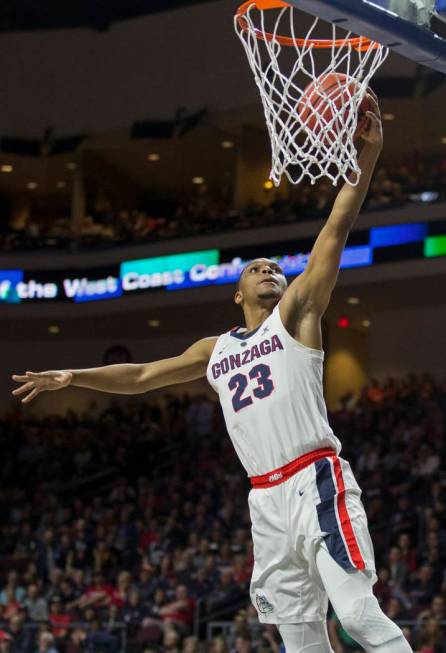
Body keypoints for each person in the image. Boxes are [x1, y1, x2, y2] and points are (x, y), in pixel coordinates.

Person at [12, 97, 412, 653]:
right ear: (237, 291)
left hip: (315, 479)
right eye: (257, 268)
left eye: (276, 267)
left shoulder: (295, 316)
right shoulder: (215, 348)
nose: (270, 271)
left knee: (357, 616)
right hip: (265, 499)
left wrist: (367, 155)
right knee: (299, 640)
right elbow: (144, 373)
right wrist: (73, 377)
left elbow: (335, 229)